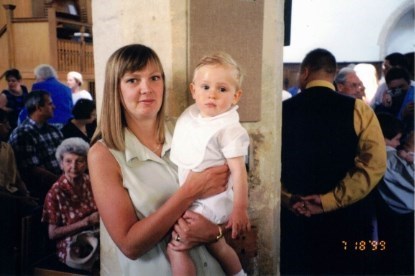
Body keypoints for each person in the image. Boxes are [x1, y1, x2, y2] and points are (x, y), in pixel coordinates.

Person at [88, 44, 230, 275]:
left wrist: (215, 232)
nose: (147, 89)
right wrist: (189, 193)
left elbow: (225, 193)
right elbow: (129, 245)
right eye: (133, 80)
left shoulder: (188, 129)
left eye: (154, 78)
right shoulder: (104, 154)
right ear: (116, 89)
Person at [280, 48, 387, 275]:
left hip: (297, 221)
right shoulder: (359, 110)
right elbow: (374, 165)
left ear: (305, 72)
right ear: (333, 74)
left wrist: (290, 199)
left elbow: (268, 168)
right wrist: (329, 200)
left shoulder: (281, 111)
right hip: (348, 221)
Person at [168, 52, 250, 276]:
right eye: (205, 87)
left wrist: (240, 209)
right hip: (197, 198)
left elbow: (239, 172)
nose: (212, 94)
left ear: (236, 96)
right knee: (219, 247)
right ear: (193, 90)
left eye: (222, 89)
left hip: (212, 202)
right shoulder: (192, 118)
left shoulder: (230, 129)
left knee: (175, 248)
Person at [42, 137, 99, 271]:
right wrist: (86, 222)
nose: (73, 167)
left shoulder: (89, 181)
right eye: (68, 161)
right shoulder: (55, 192)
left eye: (79, 161)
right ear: (61, 164)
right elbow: (53, 234)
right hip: (71, 244)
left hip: (95, 234)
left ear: (86, 163)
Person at [8, 90, 64, 201]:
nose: (54, 107)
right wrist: (63, 183)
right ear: (39, 108)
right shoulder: (23, 133)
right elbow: (32, 170)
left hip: (61, 186)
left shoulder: (54, 130)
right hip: (41, 192)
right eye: (50, 104)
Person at [374, 125, 414, 275]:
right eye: (397, 139)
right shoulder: (391, 157)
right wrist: (411, 151)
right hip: (404, 218)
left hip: (389, 215)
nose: (399, 144)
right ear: (383, 137)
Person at [0, 109, 37, 208]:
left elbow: (17, 178)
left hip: (11, 192)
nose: (9, 127)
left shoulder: (6, 148)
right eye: (5, 123)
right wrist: (20, 200)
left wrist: (26, 195)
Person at [30, 64, 73, 129]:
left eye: (36, 77)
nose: (36, 80)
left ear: (41, 76)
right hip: (67, 123)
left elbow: (33, 107)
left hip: (49, 122)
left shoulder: (38, 86)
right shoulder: (66, 88)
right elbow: (71, 107)